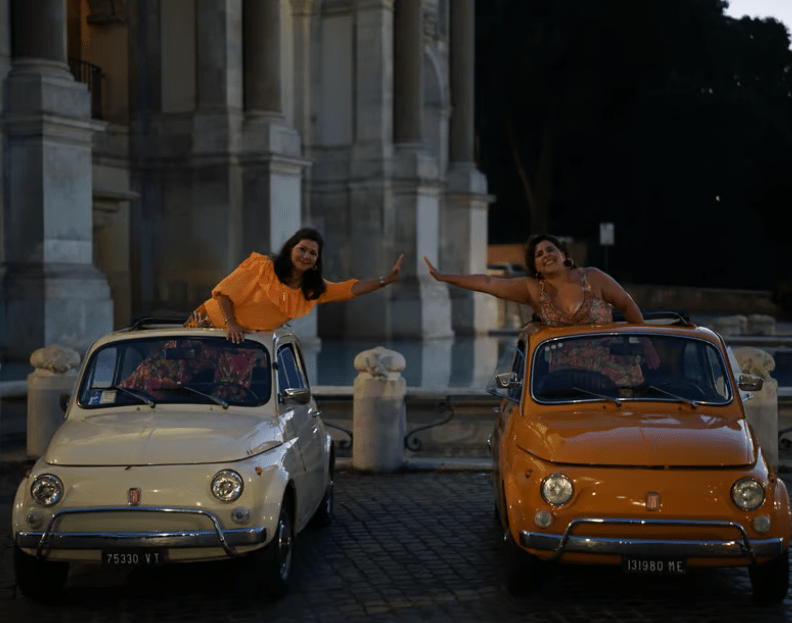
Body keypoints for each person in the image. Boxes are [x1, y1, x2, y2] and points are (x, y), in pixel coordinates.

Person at [424, 233, 659, 379]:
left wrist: (647, 346)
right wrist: (444, 277)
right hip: (564, 379)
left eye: (550, 249)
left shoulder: (593, 277)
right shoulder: (533, 289)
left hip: (612, 373)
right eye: (538, 254)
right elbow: (488, 282)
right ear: (535, 267)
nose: (545, 255)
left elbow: (628, 306)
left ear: (563, 255)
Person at [185, 228, 403, 343]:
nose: (306, 256)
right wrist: (230, 323)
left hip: (242, 342)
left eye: (312, 253)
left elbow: (348, 289)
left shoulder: (311, 290)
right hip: (209, 323)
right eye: (302, 249)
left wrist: (385, 281)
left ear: (317, 260)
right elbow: (223, 293)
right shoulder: (263, 266)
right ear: (291, 249)